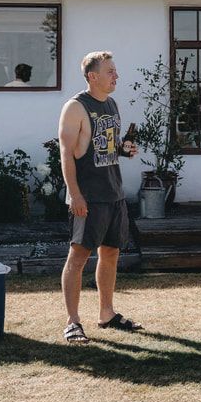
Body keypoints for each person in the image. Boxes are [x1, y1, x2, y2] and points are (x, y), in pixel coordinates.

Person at [58, 51, 141, 343]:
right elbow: (66, 153)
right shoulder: (75, 107)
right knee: (78, 257)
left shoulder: (111, 103)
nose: (116, 76)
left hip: (114, 193)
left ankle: (107, 313)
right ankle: (72, 321)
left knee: (111, 254)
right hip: (88, 196)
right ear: (93, 76)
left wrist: (123, 150)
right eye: (110, 72)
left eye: (115, 71)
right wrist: (75, 194)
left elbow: (105, 146)